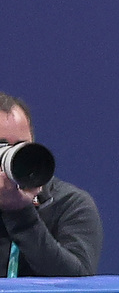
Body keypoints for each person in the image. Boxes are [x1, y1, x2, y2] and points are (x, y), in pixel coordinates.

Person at [0, 93, 102, 277]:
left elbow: (76, 282)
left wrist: (21, 213)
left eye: (21, 146)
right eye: (2, 146)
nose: (12, 156)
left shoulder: (69, 203)